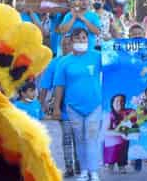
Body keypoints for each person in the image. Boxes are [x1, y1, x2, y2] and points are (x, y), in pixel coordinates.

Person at [53, 28, 102, 181]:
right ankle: (84, 171)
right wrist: (56, 107)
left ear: (88, 40)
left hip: (94, 105)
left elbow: (115, 65)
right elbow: (59, 85)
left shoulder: (98, 57)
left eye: (84, 38)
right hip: (73, 107)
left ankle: (93, 172)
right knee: (79, 139)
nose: (81, 41)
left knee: (91, 138)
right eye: (78, 38)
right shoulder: (64, 62)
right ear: (71, 41)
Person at [39, 35, 80, 178]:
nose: (66, 46)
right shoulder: (55, 63)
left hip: (81, 107)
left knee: (79, 139)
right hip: (62, 107)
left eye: (69, 44)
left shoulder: (81, 60)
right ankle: (70, 168)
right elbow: (44, 84)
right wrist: (42, 103)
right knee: (67, 138)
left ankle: (80, 167)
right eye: (64, 44)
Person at [127, 24, 147, 174]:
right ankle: (137, 158)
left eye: (140, 34)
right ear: (129, 37)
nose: (137, 36)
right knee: (136, 127)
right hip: (133, 96)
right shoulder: (125, 53)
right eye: (134, 35)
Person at [103, 94, 135, 174]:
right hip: (112, 140)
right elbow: (106, 131)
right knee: (111, 151)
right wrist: (119, 132)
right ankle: (110, 165)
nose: (120, 103)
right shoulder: (110, 115)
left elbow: (137, 114)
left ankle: (122, 165)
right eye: (117, 101)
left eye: (122, 101)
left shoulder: (129, 112)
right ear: (112, 103)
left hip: (123, 140)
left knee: (123, 152)